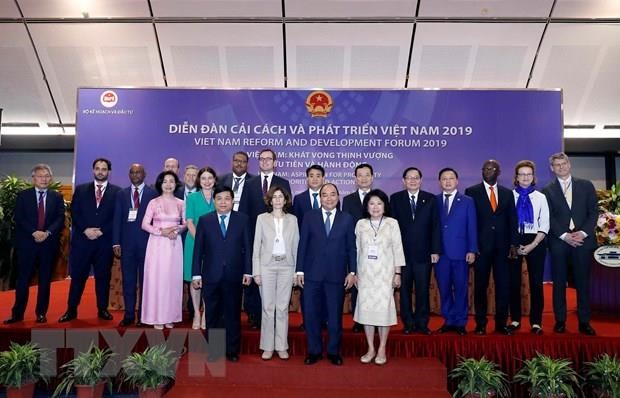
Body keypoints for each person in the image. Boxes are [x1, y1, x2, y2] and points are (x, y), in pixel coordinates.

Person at [296, 183, 357, 366]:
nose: (329, 198)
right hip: (312, 275)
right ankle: (314, 351)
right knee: (312, 315)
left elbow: (351, 248)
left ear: (338, 197)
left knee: (334, 316)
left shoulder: (347, 218)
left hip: (336, 275)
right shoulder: (309, 217)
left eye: (332, 195)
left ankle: (333, 351)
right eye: (325, 195)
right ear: (320, 198)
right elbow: (303, 245)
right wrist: (299, 270)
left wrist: (352, 271)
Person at [192, 186, 253, 362]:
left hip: (234, 275)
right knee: (213, 314)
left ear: (233, 200)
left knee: (232, 313)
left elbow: (248, 247)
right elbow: (198, 250)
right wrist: (196, 274)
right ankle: (216, 350)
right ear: (214, 201)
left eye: (227, 198)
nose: (223, 202)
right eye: (219, 198)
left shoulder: (242, 220)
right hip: (211, 275)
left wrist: (248, 271)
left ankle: (232, 350)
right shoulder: (205, 220)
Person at [542, 152, 597, 336]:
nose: (561, 167)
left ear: (569, 164)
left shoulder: (586, 185)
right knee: (559, 283)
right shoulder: (547, 191)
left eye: (563, 163)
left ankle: (584, 321)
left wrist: (581, 233)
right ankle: (560, 321)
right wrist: (565, 236)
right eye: (556, 165)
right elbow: (549, 217)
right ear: (552, 168)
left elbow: (593, 213)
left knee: (582, 283)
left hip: (583, 241)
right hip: (559, 242)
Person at [59, 158, 121, 323]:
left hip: (104, 242)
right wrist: (85, 229)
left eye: (104, 169)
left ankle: (102, 309)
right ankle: (71, 310)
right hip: (83, 242)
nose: (101, 171)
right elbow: (75, 212)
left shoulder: (117, 192)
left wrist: (102, 231)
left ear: (109, 172)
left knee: (103, 278)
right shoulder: (80, 190)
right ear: (93, 170)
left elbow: (117, 217)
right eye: (98, 168)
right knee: (78, 277)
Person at [5, 164, 65, 324]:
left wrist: (47, 233)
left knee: (45, 280)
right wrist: (34, 232)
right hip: (27, 244)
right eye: (40, 176)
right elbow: (19, 218)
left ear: (50, 178)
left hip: (48, 244)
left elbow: (60, 219)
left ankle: (41, 313)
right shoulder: (23, 196)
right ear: (33, 178)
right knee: (23, 280)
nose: (44, 179)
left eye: (47, 176)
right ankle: (17, 314)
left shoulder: (57, 197)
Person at [465, 160, 518, 336]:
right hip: (481, 248)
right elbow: (469, 222)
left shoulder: (507, 193)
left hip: (503, 249)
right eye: (486, 168)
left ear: (499, 172)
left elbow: (513, 220)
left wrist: (513, 244)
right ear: (481, 171)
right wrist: (471, 247)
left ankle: (501, 324)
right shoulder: (471, 192)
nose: (489, 171)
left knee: (503, 287)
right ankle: (480, 324)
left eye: (493, 168)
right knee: (480, 287)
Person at [354, 189, 405, 366]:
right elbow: (357, 251)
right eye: (372, 203)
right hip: (365, 276)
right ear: (367, 206)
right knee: (367, 312)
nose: (375, 207)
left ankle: (382, 347)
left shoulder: (392, 223)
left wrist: (397, 273)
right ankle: (370, 348)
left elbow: (397, 249)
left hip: (385, 275)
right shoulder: (360, 224)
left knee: (383, 312)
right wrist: (355, 273)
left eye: (379, 203)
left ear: (385, 206)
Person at [389, 167, 440, 335]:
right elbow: (391, 228)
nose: (412, 180)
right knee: (403, 291)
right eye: (409, 178)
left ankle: (422, 323)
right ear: (403, 181)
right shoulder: (395, 199)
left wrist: (435, 250)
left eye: (416, 177)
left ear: (421, 180)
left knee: (422, 289)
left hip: (423, 254)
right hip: (401, 255)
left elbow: (435, 227)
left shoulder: (430, 199)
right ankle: (408, 323)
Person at [245, 148, 291, 329]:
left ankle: (275, 321)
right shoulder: (250, 184)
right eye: (261, 159)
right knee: (258, 278)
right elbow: (245, 213)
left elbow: (288, 210)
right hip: (257, 238)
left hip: (278, 240)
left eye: (268, 159)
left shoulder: (283, 183)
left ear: (275, 162)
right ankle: (255, 315)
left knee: (276, 285)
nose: (265, 162)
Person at [252, 187, 299, 360]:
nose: (278, 200)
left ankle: (281, 346)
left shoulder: (293, 220)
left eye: (281, 197)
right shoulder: (261, 219)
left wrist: (296, 271)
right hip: (267, 267)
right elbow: (256, 246)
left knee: (282, 308)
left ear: (285, 200)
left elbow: (296, 246)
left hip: (287, 267)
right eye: (275, 197)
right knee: (267, 307)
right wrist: (256, 271)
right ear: (270, 200)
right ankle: (267, 346)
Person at [112, 163, 158, 327]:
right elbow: (117, 218)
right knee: (129, 280)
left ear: (144, 174)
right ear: (129, 175)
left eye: (139, 172)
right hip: (126, 245)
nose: (135, 174)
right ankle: (129, 314)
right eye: (132, 172)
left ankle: (144, 315)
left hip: (148, 244)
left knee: (146, 281)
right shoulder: (122, 194)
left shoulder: (153, 193)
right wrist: (116, 242)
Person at [140, 171, 186, 329]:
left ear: (176, 184)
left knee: (172, 280)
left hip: (174, 245)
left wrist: (176, 231)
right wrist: (161, 232)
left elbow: (186, 223)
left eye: (171, 181)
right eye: (165, 181)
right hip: (157, 245)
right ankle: (156, 317)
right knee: (157, 280)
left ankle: (169, 316)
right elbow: (144, 224)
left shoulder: (181, 203)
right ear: (160, 184)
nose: (168, 184)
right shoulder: (153, 202)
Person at [509, 160, 549, 335]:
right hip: (513, 241)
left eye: (528, 174)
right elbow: (507, 223)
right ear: (516, 178)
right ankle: (515, 319)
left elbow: (545, 225)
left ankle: (536, 322)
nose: (525, 177)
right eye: (522, 174)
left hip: (536, 241)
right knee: (514, 283)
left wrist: (532, 245)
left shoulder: (541, 197)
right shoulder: (509, 196)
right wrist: (515, 245)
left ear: (533, 177)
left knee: (535, 283)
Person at [435, 168, 477, 336]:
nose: (447, 181)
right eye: (444, 179)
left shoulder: (467, 201)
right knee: (444, 288)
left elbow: (472, 226)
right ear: (439, 182)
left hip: (461, 253)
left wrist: (472, 249)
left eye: (451, 178)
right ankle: (449, 320)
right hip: (440, 254)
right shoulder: (434, 201)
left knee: (460, 288)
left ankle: (460, 322)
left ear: (457, 181)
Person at [292, 164, 326, 330]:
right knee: (308, 290)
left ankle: (324, 321)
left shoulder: (330, 198)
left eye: (318, 175)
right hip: (307, 252)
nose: (314, 178)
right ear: (306, 179)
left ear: (323, 178)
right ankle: (308, 321)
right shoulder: (299, 199)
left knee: (326, 289)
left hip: (327, 253)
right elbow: (296, 225)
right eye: (311, 175)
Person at [342, 163, 375, 333]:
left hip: (377, 251)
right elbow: (346, 226)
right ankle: (359, 320)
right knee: (357, 285)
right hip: (355, 249)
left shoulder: (380, 198)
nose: (363, 178)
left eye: (367, 175)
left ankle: (375, 320)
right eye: (360, 175)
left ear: (372, 177)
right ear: (355, 179)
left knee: (375, 286)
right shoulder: (348, 200)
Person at [183, 166, 217, 329]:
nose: (207, 181)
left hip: (215, 247)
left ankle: (207, 314)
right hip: (194, 243)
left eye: (210, 178)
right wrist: (201, 241)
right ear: (199, 180)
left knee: (209, 279)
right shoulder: (192, 198)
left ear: (215, 180)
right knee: (195, 278)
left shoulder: (219, 197)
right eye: (203, 178)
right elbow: (189, 222)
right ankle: (196, 312)